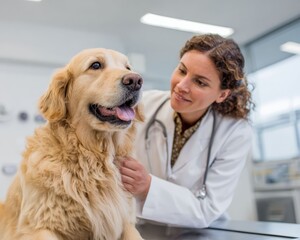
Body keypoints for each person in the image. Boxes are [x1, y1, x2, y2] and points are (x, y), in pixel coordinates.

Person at [119, 33, 254, 228]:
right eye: (182, 71)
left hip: (201, 231)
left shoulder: (235, 132)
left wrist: (148, 187)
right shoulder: (145, 105)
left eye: (200, 82)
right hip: (145, 226)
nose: (181, 86)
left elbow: (208, 208)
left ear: (222, 94)